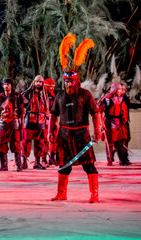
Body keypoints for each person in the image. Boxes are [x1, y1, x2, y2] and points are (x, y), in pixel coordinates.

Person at [48, 70, 101, 203]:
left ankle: (94, 194)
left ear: (76, 81)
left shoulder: (85, 94)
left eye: (71, 81)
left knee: (89, 166)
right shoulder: (59, 95)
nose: (69, 84)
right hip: (64, 135)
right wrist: (50, 131)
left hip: (81, 136)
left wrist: (97, 130)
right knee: (63, 166)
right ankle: (61, 194)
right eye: (66, 81)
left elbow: (95, 112)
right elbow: (53, 114)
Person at [0, 78, 26, 172]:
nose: (6, 86)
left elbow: (22, 112)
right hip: (2, 123)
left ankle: (19, 165)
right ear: (2, 86)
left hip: (14, 123)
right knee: (1, 144)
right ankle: (4, 166)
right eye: (4, 84)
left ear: (11, 85)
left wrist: (22, 123)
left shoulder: (17, 96)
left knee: (16, 144)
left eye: (8, 84)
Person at [98, 83, 131, 166]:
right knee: (109, 143)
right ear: (114, 90)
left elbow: (124, 110)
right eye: (119, 89)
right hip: (109, 121)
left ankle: (122, 159)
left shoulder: (121, 98)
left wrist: (124, 121)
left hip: (119, 122)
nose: (120, 91)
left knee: (121, 141)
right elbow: (100, 111)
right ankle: (110, 160)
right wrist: (102, 124)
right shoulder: (107, 99)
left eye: (121, 89)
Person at [21, 75, 49, 170]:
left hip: (41, 121)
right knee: (26, 142)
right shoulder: (28, 93)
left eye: (40, 82)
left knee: (39, 143)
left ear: (42, 83)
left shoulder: (45, 95)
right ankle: (24, 162)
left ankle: (37, 163)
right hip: (29, 120)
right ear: (34, 82)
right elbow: (20, 102)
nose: (38, 83)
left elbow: (47, 108)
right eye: (37, 82)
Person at [44, 78, 57, 166]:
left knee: (54, 139)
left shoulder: (54, 96)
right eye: (49, 87)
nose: (50, 89)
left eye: (52, 87)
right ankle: (43, 159)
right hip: (44, 119)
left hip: (53, 119)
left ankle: (52, 158)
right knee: (44, 139)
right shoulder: (41, 96)